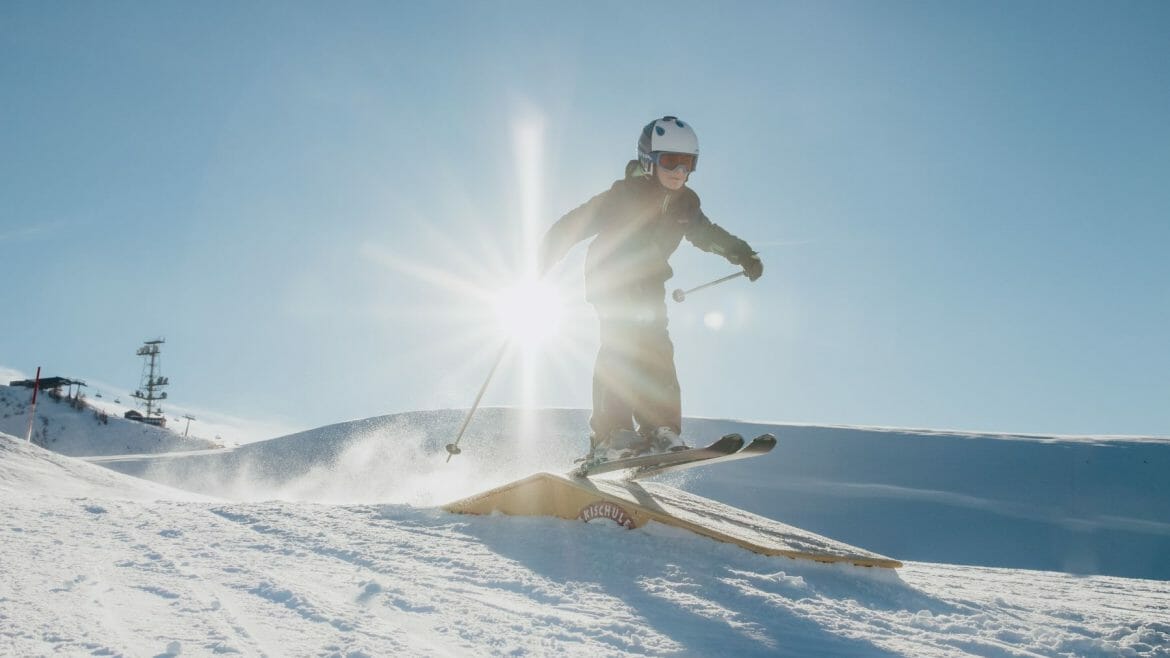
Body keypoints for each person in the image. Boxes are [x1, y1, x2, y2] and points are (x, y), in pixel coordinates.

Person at [538, 116, 763, 462]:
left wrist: (742, 255)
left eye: (687, 164)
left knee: (658, 350)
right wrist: (545, 255)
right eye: (670, 162)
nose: (678, 172)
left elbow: (708, 234)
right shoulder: (623, 195)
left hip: (650, 284)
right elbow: (576, 222)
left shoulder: (687, 204)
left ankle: (660, 430)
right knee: (621, 344)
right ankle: (610, 434)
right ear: (649, 160)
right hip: (611, 278)